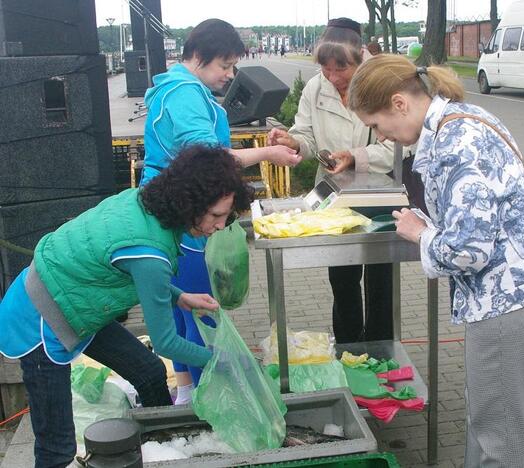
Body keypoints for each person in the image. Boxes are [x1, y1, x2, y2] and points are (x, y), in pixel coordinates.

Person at [348, 54, 524, 467]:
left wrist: (420, 233)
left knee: (498, 432)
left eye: (377, 125)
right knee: (491, 414)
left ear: (400, 103)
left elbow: (468, 250)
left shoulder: (454, 145)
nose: (383, 137)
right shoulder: (463, 117)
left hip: (508, 298)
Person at [0, 146, 252, 468]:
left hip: (79, 300)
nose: (219, 226)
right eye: (215, 215)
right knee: (57, 449)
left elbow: (131, 265)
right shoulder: (151, 252)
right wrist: (223, 360)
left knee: (148, 372)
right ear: (189, 203)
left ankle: (163, 450)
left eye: (225, 216)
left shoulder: (149, 203)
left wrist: (180, 297)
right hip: (39, 317)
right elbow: (166, 342)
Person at [141, 18, 300, 400]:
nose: (229, 75)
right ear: (198, 56)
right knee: (200, 308)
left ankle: (186, 393)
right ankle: (209, 395)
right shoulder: (184, 94)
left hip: (169, 211)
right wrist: (268, 153)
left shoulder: (173, 89)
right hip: (188, 214)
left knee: (179, 306)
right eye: (224, 65)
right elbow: (211, 159)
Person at [267, 18, 395, 345]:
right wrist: (293, 142)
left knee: (381, 278)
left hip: (381, 194)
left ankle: (381, 347)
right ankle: (350, 345)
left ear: (359, 59)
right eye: (326, 69)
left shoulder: (381, 84)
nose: (333, 78)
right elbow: (306, 134)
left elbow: (398, 145)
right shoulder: (316, 87)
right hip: (335, 195)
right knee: (342, 275)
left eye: (342, 69)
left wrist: (354, 156)